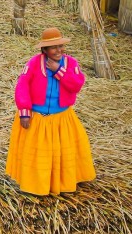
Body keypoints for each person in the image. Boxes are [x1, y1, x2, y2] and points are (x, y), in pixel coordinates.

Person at [6, 27, 96, 196]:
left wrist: (58, 71)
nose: (58, 50)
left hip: (62, 118)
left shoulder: (71, 63)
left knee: (62, 153)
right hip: (38, 118)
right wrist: (24, 111)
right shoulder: (34, 63)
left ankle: (63, 183)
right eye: (53, 47)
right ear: (45, 49)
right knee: (40, 155)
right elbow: (22, 86)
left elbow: (76, 85)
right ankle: (36, 185)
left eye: (61, 46)